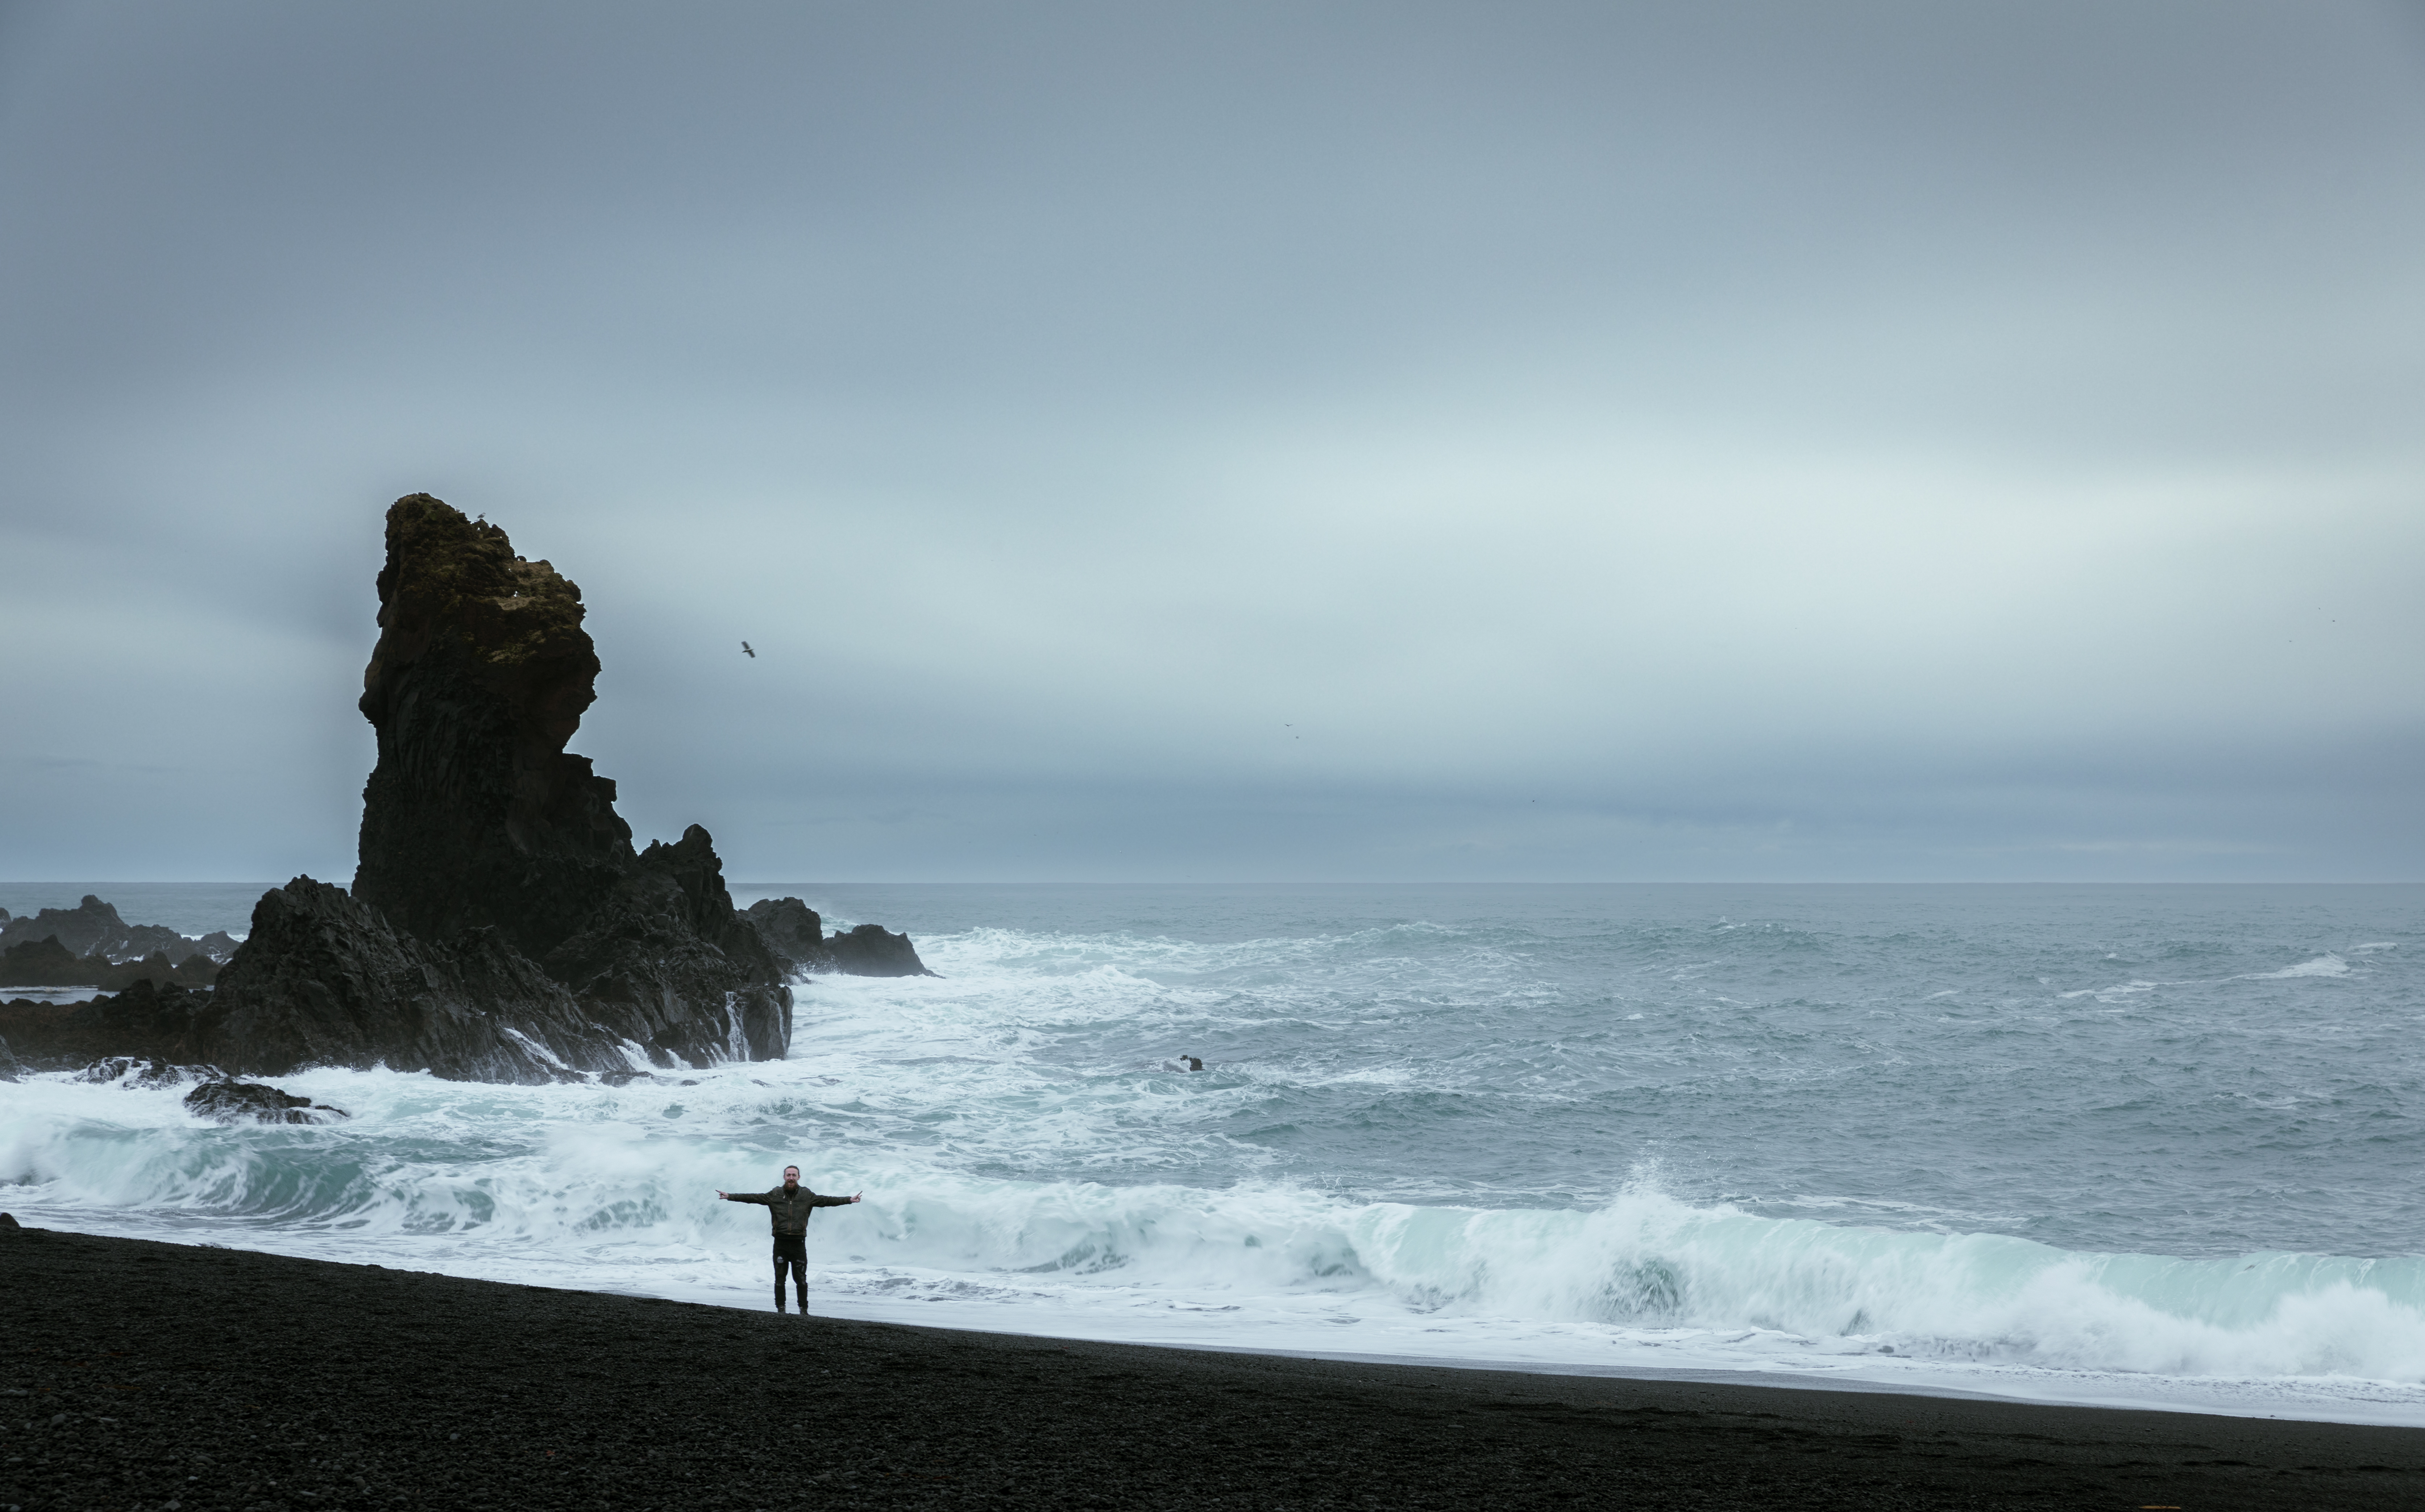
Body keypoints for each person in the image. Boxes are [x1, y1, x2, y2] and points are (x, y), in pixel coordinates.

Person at [716, 1165, 864, 1313]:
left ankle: (804, 1310)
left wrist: (849, 1200)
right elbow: (753, 1198)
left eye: (794, 1175)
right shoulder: (775, 1194)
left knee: (801, 1280)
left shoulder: (807, 1196)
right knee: (780, 1280)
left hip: (798, 1244)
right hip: (780, 1243)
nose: (791, 1178)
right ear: (784, 1177)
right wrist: (731, 1196)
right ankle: (781, 1309)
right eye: (788, 1175)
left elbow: (827, 1200)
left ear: (799, 1177)